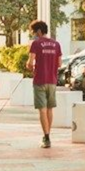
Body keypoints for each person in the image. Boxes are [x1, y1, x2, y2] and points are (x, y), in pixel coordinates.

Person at [26, 17, 62, 147]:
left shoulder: (36, 44)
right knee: (50, 109)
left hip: (40, 80)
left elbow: (30, 63)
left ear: (39, 31)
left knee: (42, 109)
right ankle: (47, 135)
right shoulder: (56, 44)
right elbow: (59, 63)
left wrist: (31, 67)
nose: (34, 35)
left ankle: (46, 137)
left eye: (34, 32)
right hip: (52, 80)